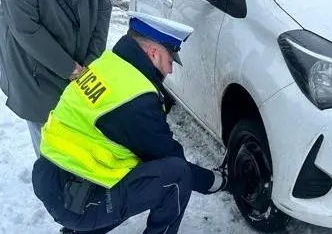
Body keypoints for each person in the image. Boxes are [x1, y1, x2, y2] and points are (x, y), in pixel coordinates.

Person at [31, 12, 243, 234]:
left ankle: (79, 228)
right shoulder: (136, 101)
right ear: (153, 53)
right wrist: (221, 182)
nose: (170, 70)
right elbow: (172, 162)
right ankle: (84, 222)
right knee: (177, 176)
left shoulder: (108, 64)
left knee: (134, 174)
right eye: (170, 61)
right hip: (77, 198)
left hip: (56, 178)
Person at [0, 0, 112, 158]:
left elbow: (103, 7)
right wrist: (70, 68)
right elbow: (25, 28)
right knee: (50, 151)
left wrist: (90, 61)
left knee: (82, 145)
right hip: (35, 73)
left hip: (82, 69)